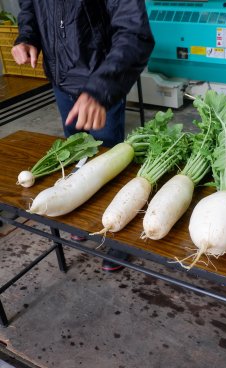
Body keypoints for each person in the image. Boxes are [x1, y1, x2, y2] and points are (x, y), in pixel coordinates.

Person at [11, 0, 155, 271]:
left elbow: (135, 32)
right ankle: (80, 217)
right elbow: (30, 7)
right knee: (77, 158)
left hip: (99, 80)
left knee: (112, 162)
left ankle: (116, 236)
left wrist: (102, 88)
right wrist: (27, 37)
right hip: (60, 77)